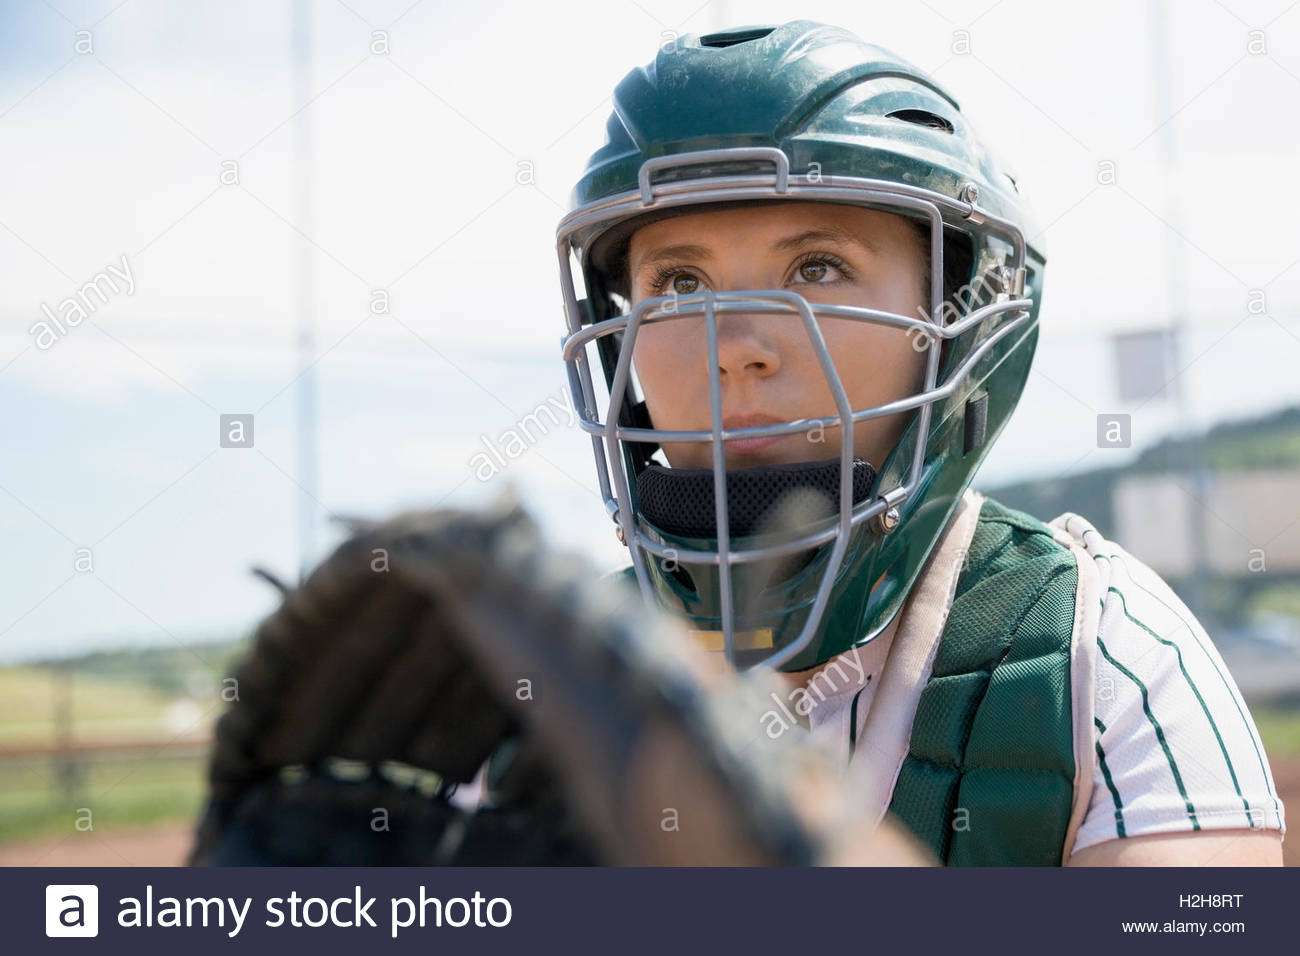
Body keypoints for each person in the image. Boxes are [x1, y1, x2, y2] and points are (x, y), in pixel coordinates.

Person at [556, 18, 1285, 865]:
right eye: (680, 284)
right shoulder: (534, 672)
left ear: (955, 328)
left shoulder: (1102, 652)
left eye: (817, 268)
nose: (736, 345)